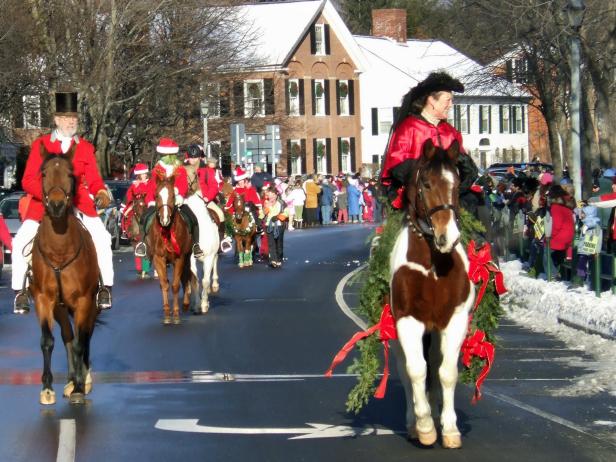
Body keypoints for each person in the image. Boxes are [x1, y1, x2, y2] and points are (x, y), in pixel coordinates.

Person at [12, 91, 113, 314]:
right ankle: (19, 292)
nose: (71, 121)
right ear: (56, 120)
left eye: (74, 118)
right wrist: (49, 196)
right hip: (44, 207)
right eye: (66, 118)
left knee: (104, 240)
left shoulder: (86, 147)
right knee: (20, 242)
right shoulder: (41, 144)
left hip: (79, 206)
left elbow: (95, 179)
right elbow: (27, 180)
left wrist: (101, 192)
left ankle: (105, 287)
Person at [379, 72, 477, 210]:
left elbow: (465, 167)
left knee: (477, 204)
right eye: (448, 100)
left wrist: (459, 186)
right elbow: (397, 167)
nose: (451, 105)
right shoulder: (409, 128)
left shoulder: (450, 131)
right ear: (432, 101)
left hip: (449, 194)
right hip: (418, 194)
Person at [134, 138, 203, 259]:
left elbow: (182, 184)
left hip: (177, 200)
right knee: (145, 218)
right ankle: (143, 243)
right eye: (164, 155)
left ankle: (195, 245)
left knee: (192, 217)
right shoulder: (156, 170)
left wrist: (180, 195)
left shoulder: (180, 168)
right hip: (160, 201)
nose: (166, 157)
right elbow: (151, 186)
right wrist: (150, 200)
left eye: (168, 155)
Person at [122, 163, 150, 278]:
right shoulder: (134, 185)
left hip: (148, 205)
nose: (143, 176)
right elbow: (129, 196)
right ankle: (124, 230)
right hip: (136, 205)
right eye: (141, 174)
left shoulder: (150, 183)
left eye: (144, 174)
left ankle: (146, 268)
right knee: (126, 213)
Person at [263, 186, 288, 268]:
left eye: (272, 195)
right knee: (271, 244)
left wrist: (277, 217)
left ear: (276, 195)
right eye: (269, 195)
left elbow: (286, 213)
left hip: (279, 225)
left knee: (279, 243)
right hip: (269, 225)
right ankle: (273, 260)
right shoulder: (266, 203)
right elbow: (262, 213)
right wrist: (266, 208)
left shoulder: (282, 203)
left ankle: (279, 259)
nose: (270, 196)